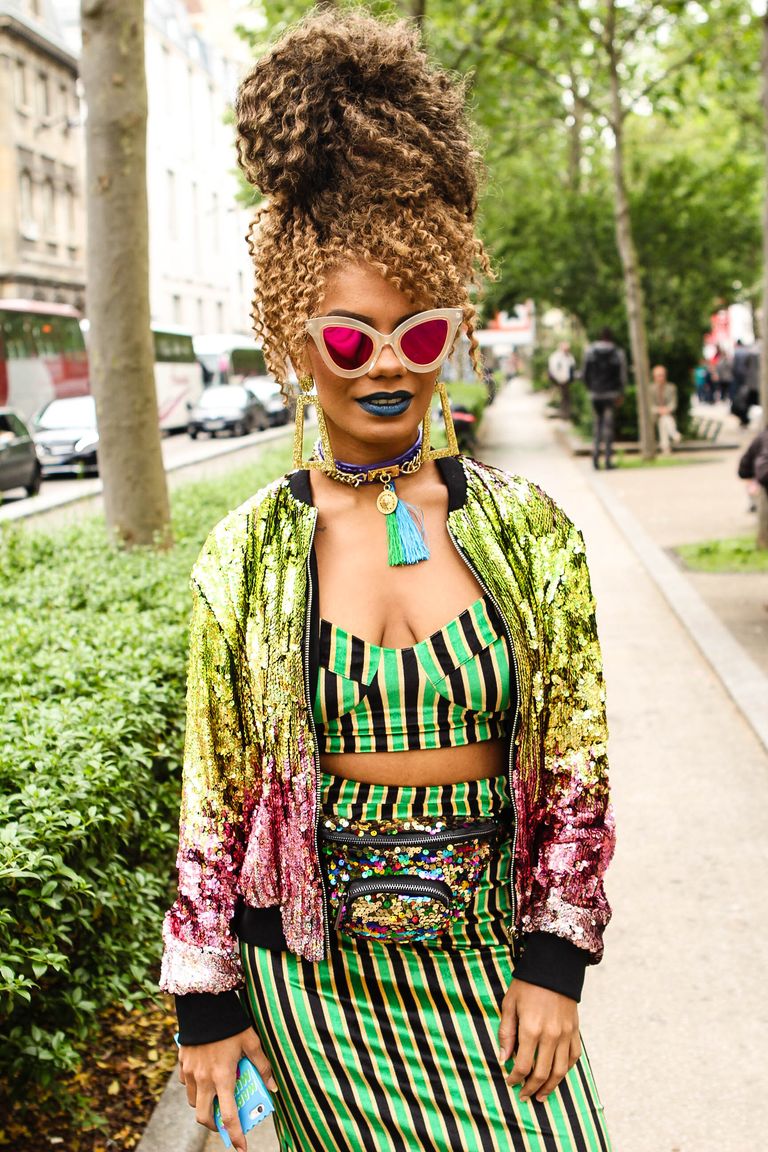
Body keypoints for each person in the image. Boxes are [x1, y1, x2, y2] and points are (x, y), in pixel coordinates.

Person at [160, 13, 614, 1152]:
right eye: (352, 340)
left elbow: (578, 767)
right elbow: (213, 800)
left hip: (488, 973)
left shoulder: (530, 534)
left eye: (419, 330)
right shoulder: (249, 558)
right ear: (294, 336)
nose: (391, 365)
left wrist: (555, 961)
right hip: (312, 991)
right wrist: (207, 1007)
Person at [582, 327, 626, 469]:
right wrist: (621, 392)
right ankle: (607, 460)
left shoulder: (590, 351)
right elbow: (622, 376)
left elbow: (585, 374)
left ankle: (595, 457)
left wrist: (590, 388)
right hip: (610, 394)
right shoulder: (617, 353)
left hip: (595, 394)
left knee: (597, 425)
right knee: (608, 427)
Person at [650, 364, 682, 455]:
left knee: (664, 420)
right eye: (658, 375)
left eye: (662, 375)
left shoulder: (671, 387)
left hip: (668, 415)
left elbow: (673, 404)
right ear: (654, 376)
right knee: (664, 420)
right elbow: (650, 406)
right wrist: (659, 410)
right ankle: (675, 435)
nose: (660, 378)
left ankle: (666, 448)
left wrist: (666, 410)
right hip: (655, 415)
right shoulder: (650, 389)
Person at [738, 427, 768, 512]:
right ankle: (753, 502)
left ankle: (753, 502)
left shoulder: (763, 436)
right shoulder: (763, 437)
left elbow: (745, 465)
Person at [547, 340, 576, 420]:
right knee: (559, 397)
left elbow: (572, 368)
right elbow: (553, 370)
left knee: (566, 398)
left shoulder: (569, 357)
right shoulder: (556, 357)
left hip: (566, 381)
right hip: (558, 380)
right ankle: (560, 414)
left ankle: (565, 415)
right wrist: (560, 379)